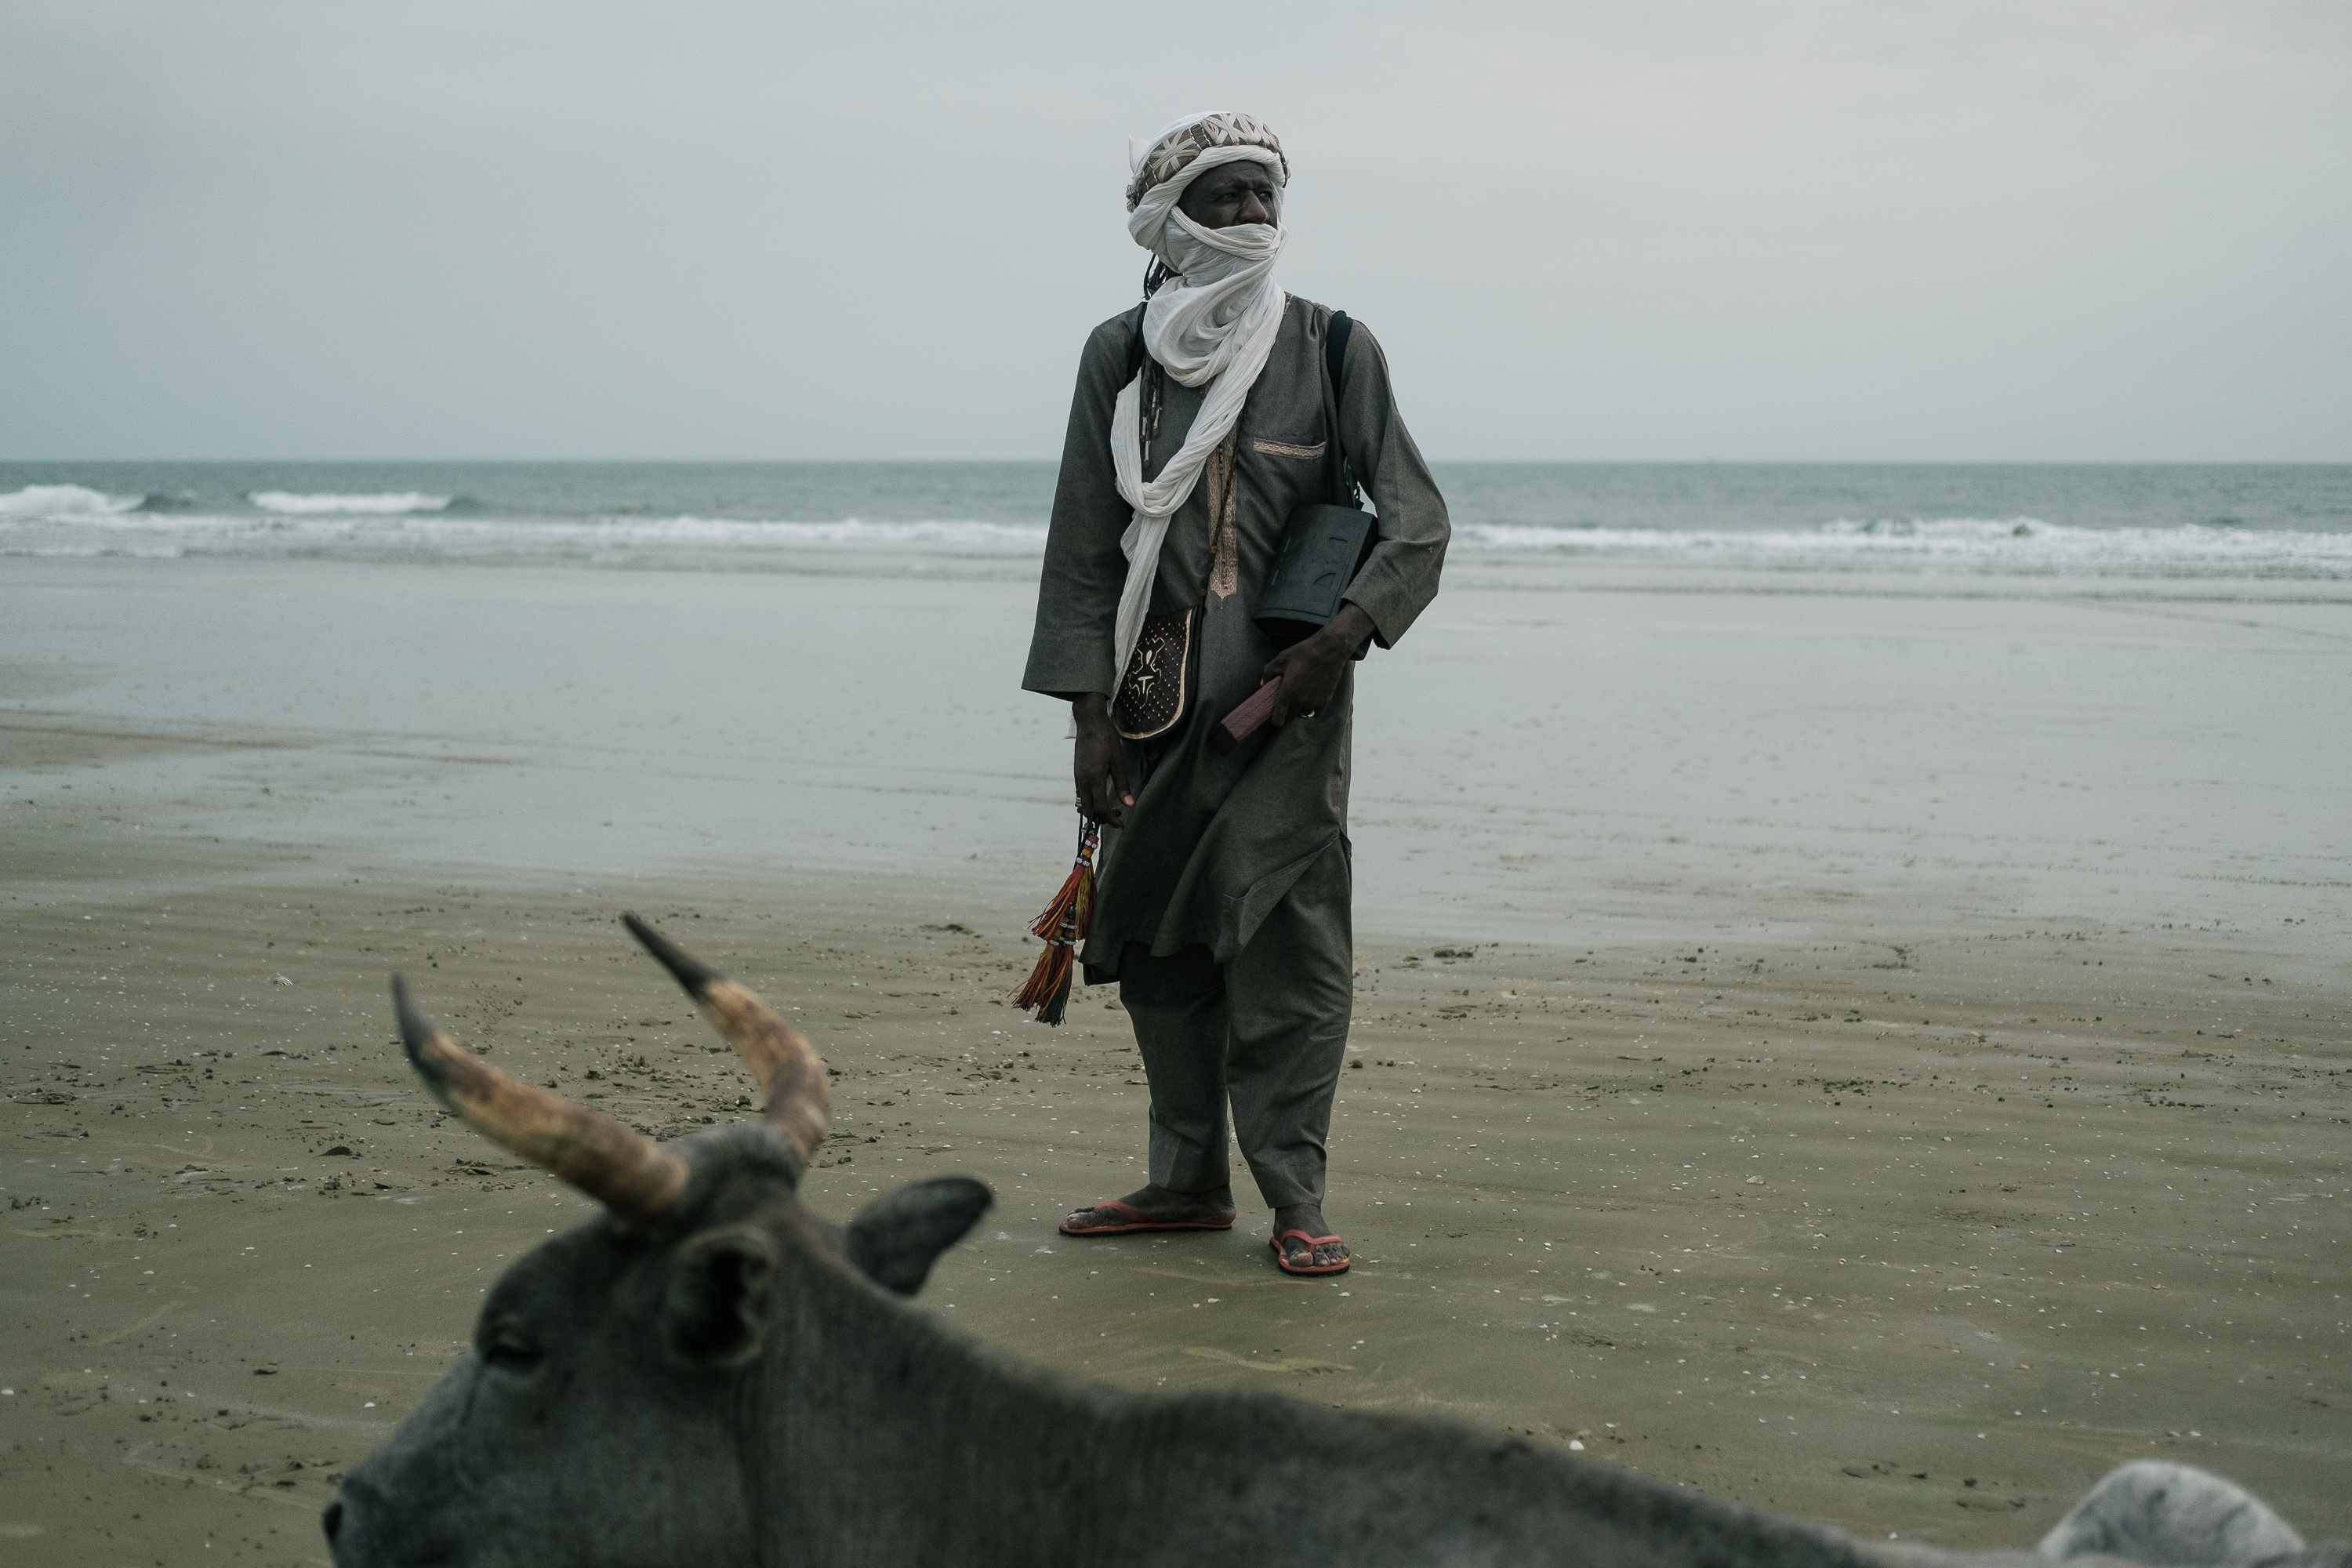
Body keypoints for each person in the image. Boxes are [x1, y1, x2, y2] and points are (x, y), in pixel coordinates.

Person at [1022, 111, 1449, 1276]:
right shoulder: (1120, 356)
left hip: (1288, 719)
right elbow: (1083, 548)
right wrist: (1087, 716)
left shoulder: (1335, 347)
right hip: (1152, 711)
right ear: (1170, 218)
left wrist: (1340, 644)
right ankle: (1184, 1181)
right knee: (1158, 949)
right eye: (1227, 197)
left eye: (1267, 195)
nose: (1255, 216)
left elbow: (1417, 522)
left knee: (1288, 952)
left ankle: (1297, 1198)